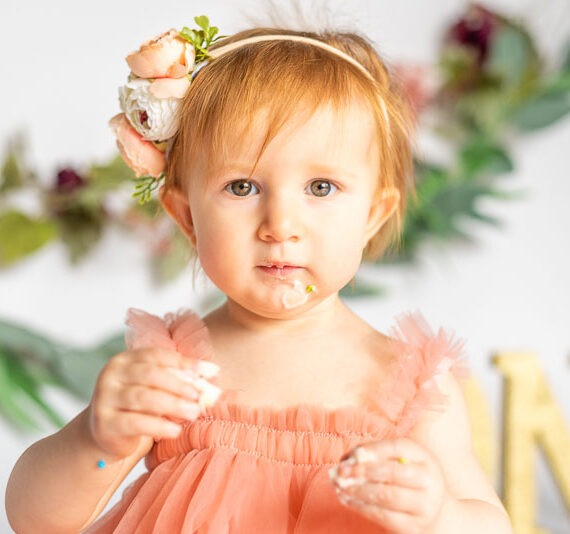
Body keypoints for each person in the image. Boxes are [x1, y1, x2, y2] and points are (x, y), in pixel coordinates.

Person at [6, 14, 513, 534]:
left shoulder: (412, 388)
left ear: (372, 216)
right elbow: (38, 521)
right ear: (186, 218)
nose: (281, 226)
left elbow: (491, 525)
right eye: (242, 187)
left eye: (320, 188)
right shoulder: (170, 374)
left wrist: (441, 516)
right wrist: (96, 444)